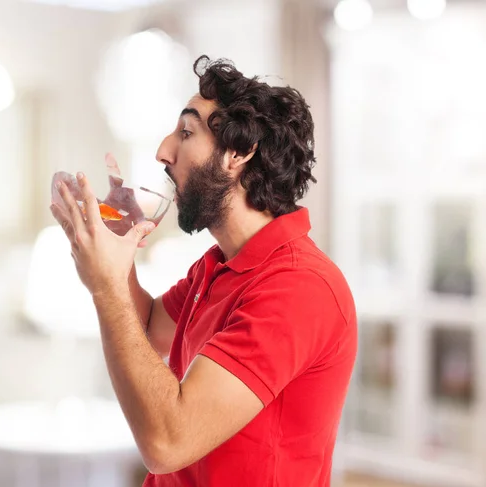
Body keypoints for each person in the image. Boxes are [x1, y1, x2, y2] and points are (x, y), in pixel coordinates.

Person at [50, 55, 357, 487]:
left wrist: (105, 287)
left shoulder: (299, 287)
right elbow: (150, 328)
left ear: (239, 152)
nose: (163, 151)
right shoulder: (219, 264)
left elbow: (166, 444)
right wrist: (117, 254)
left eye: (186, 132)